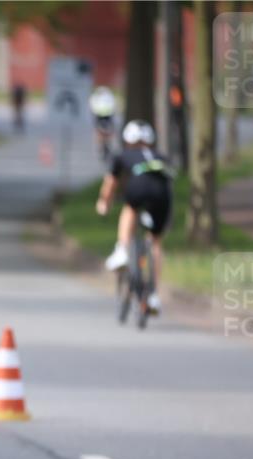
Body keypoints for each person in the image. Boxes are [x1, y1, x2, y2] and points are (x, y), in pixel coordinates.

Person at [96, 120, 174, 314]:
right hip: (163, 194)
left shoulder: (123, 155)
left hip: (139, 186)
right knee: (155, 241)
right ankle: (153, 295)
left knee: (130, 209)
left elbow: (110, 183)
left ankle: (122, 249)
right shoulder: (160, 156)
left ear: (127, 140)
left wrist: (104, 203)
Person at [89, 86, 117, 161]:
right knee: (101, 131)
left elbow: (92, 106)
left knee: (104, 131)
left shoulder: (99, 96)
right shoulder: (105, 95)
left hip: (105, 116)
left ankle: (105, 143)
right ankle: (103, 143)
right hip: (102, 116)